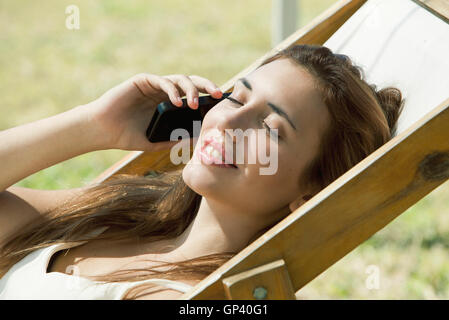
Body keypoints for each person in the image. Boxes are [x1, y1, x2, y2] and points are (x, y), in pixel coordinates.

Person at [0, 44, 404, 300]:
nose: (227, 123)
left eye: (269, 127)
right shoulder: (117, 216)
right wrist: (95, 124)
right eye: (235, 98)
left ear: (310, 194)